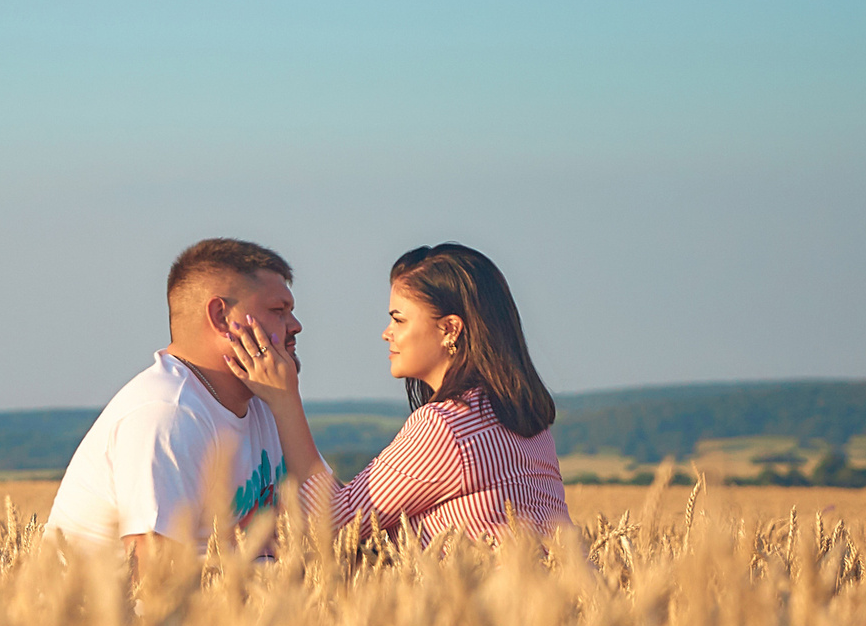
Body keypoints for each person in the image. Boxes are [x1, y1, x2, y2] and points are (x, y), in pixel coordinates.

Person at [226, 242, 567, 543]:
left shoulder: (446, 426)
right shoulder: (528, 424)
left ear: (449, 329)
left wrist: (285, 400)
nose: (387, 334)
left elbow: (333, 523)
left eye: (399, 320)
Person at [45, 238, 301, 568]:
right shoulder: (168, 414)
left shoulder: (267, 402)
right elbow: (152, 581)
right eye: (278, 311)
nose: (295, 326)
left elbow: (336, 518)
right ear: (221, 317)